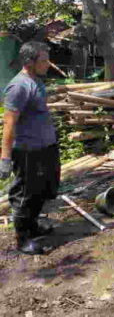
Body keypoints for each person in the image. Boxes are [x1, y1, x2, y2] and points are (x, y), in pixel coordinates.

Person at [1, 41, 60, 255]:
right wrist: (5, 159)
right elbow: (9, 123)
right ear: (29, 62)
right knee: (26, 194)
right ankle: (23, 238)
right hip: (28, 151)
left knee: (43, 189)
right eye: (43, 60)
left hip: (45, 147)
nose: (48, 64)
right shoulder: (18, 87)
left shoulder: (36, 81)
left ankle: (33, 225)